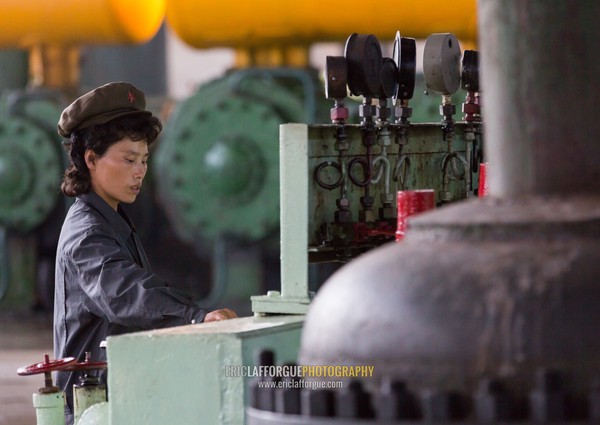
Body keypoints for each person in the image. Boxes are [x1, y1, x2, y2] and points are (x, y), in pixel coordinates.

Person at [53, 82, 237, 423]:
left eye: (144, 160)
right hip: (90, 407)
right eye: (128, 159)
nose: (140, 171)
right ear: (91, 159)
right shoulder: (88, 233)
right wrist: (194, 317)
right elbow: (123, 292)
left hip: (117, 392)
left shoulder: (111, 219)